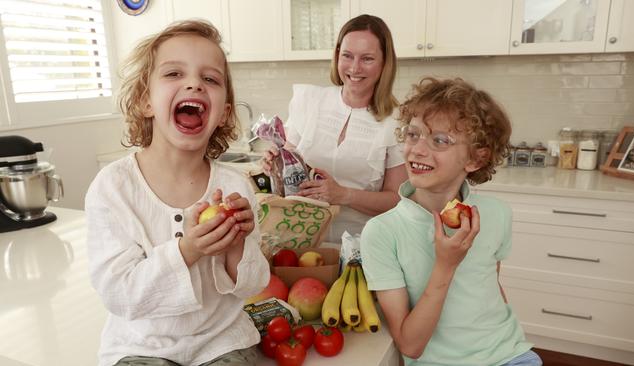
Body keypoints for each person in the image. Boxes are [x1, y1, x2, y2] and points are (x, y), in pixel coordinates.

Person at [84, 20, 269, 366]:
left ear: (224, 113)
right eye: (173, 74)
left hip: (221, 340)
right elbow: (119, 293)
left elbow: (253, 284)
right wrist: (188, 249)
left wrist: (236, 247)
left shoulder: (234, 186)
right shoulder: (113, 188)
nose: (194, 84)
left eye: (210, 79)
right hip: (141, 345)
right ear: (145, 101)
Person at [360, 77, 541, 366]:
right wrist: (445, 264)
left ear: (475, 159)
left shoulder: (496, 213)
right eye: (413, 134)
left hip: (511, 355)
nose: (417, 149)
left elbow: (489, 286)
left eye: (440, 140)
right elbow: (410, 345)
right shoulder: (382, 233)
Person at [262, 14, 408, 242]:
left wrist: (343, 195)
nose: (354, 68)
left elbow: (397, 200)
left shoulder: (397, 121)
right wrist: (276, 165)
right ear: (337, 56)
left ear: (384, 63)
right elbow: (291, 170)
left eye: (367, 59)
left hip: (363, 245)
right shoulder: (309, 101)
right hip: (300, 238)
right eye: (347, 56)